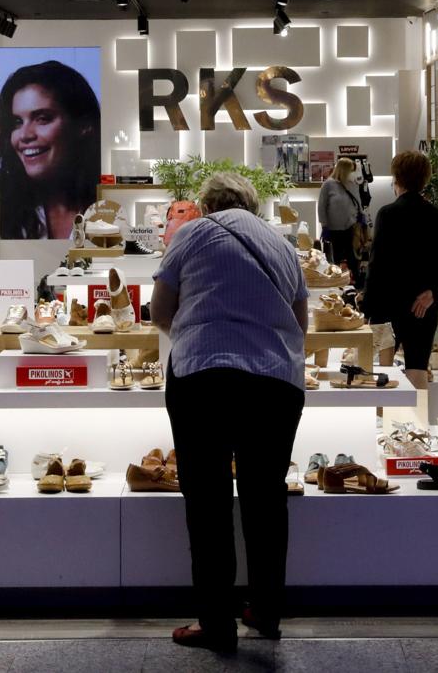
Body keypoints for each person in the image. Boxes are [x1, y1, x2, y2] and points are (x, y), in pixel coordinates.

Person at [149, 171, 307, 653]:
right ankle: (267, 612)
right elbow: (301, 321)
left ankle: (216, 624)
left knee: (208, 502)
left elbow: (159, 310)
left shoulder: (191, 233)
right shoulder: (281, 245)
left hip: (203, 378)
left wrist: (201, 334)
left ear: (206, 204)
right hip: (276, 380)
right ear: (251, 203)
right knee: (265, 499)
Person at [361, 151, 438, 387]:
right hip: (423, 307)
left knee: (381, 371)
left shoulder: (388, 214)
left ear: (397, 178)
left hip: (388, 304)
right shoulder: (437, 216)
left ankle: (384, 421)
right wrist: (434, 293)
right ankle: (418, 422)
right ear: (425, 179)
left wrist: (367, 309)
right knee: (417, 367)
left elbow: (378, 266)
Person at [0, 60, 101, 240]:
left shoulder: (109, 205)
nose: (24, 135)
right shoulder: (4, 208)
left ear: (83, 125)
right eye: (17, 122)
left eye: (42, 118)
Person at [318, 157, 363, 282]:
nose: (352, 173)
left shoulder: (352, 184)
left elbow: (358, 202)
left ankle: (354, 282)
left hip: (351, 227)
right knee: (335, 258)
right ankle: (335, 281)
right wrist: (324, 225)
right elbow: (321, 206)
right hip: (334, 229)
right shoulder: (328, 185)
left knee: (353, 257)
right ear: (343, 170)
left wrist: (361, 217)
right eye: (350, 170)